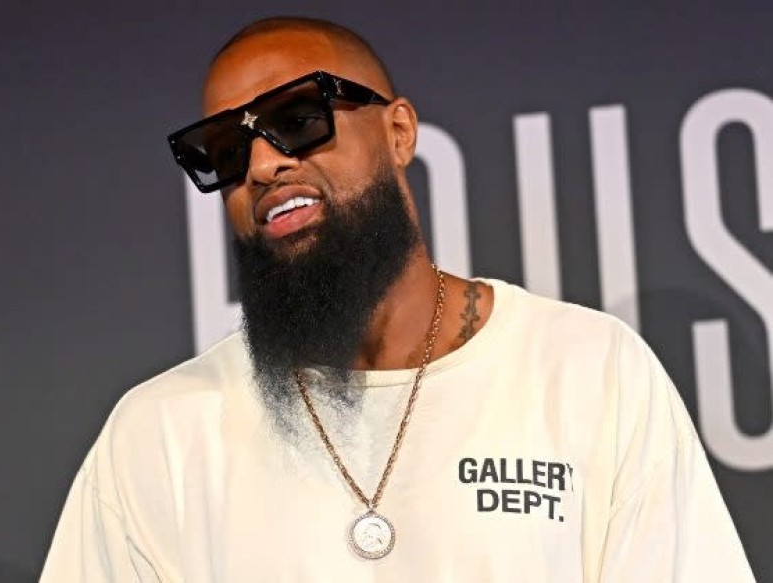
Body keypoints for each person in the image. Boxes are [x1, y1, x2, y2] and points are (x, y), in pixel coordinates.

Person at [40, 16, 755, 582]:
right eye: (226, 150)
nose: (261, 165)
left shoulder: (589, 370)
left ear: (399, 132)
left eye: (297, 119)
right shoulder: (159, 434)